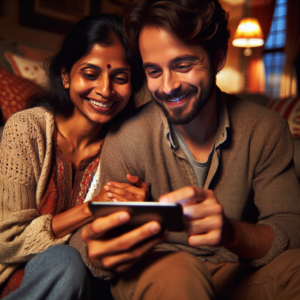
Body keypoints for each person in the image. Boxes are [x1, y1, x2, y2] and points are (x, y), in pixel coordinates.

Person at [72, 0, 300, 299]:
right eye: (153, 71)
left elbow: (291, 226)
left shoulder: (266, 128)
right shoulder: (126, 136)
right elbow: (87, 240)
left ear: (218, 58)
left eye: (182, 66)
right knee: (180, 273)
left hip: (234, 269)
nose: (167, 87)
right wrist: (97, 253)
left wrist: (231, 232)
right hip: (158, 267)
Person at [0, 14, 147, 299]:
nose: (105, 90)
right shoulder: (26, 129)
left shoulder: (127, 145)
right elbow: (7, 241)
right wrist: (93, 208)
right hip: (20, 282)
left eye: (120, 78)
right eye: (90, 74)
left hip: (90, 284)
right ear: (66, 75)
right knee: (66, 261)